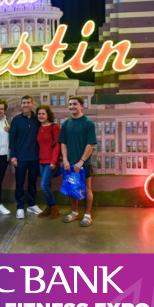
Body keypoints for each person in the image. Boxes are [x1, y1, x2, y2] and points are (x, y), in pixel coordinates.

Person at [58, 96, 97, 227]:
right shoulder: (66, 124)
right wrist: (65, 159)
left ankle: (87, 215)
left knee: (86, 188)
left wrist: (81, 161)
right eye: (70, 104)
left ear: (82, 106)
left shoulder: (88, 123)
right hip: (69, 163)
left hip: (83, 164)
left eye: (75, 104)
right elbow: (63, 143)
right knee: (71, 187)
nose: (72, 106)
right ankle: (74, 213)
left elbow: (90, 144)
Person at [9, 95, 43, 219]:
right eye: (24, 103)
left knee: (33, 183)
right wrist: (13, 156)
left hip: (35, 157)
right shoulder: (16, 120)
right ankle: (19, 207)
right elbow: (12, 140)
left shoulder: (38, 119)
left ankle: (31, 205)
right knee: (20, 183)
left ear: (32, 104)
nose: (26, 105)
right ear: (21, 104)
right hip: (20, 158)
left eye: (28, 102)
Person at [36, 105, 61, 219]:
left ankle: (55, 208)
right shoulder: (39, 128)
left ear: (48, 115)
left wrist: (54, 161)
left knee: (44, 185)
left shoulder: (54, 127)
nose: (41, 116)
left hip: (51, 161)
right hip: (41, 161)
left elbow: (58, 145)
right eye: (39, 114)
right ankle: (48, 208)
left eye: (43, 114)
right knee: (48, 185)